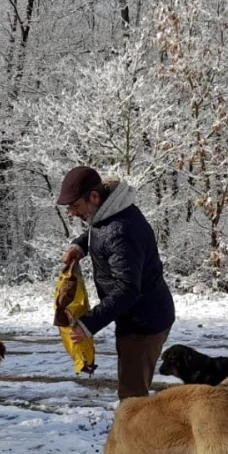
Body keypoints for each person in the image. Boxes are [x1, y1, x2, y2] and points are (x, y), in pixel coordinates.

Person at [56, 165, 175, 400]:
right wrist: (80, 246)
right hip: (141, 317)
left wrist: (88, 324)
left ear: (94, 197)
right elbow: (99, 231)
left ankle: (141, 436)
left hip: (143, 325)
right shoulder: (111, 212)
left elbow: (127, 289)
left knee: (133, 400)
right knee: (133, 396)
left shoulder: (121, 231)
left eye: (75, 206)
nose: (72, 213)